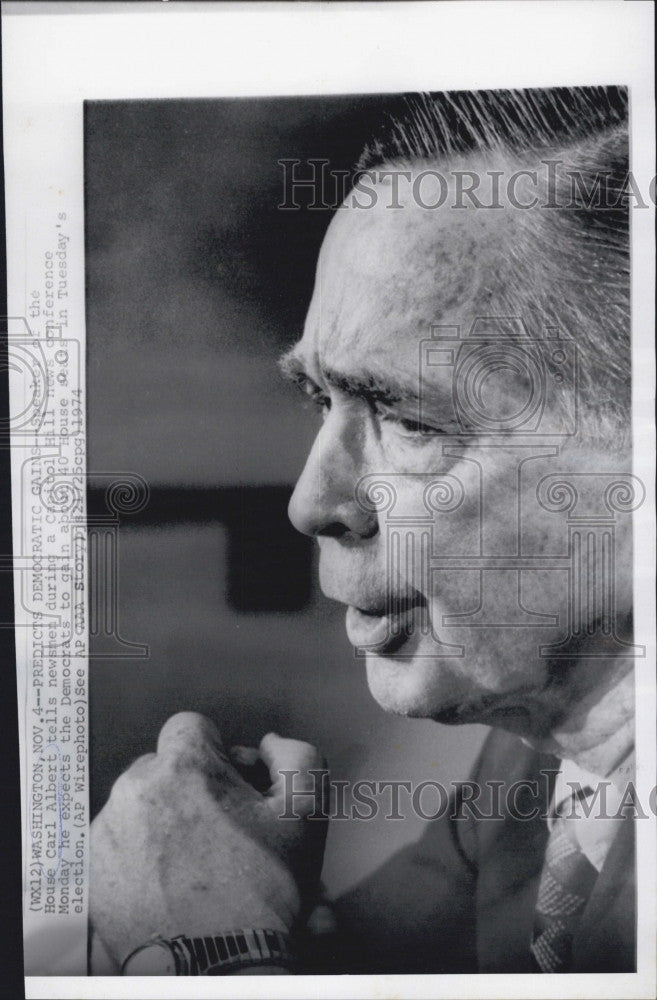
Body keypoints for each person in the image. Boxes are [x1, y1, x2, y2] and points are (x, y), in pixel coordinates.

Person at [90, 86, 637, 975]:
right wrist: (213, 884)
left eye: (410, 418)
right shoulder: (539, 744)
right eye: (321, 396)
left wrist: (204, 949)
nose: (311, 503)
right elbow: (360, 961)